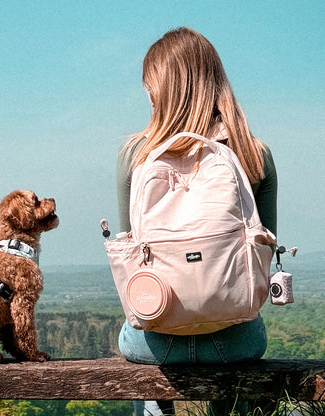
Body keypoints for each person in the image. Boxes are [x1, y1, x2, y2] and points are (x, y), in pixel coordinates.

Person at [115, 27, 277, 416]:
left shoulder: (135, 156)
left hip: (156, 342)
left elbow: (134, 261)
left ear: (161, 88)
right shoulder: (255, 155)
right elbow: (264, 255)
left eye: (149, 86)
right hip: (237, 338)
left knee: (136, 332)